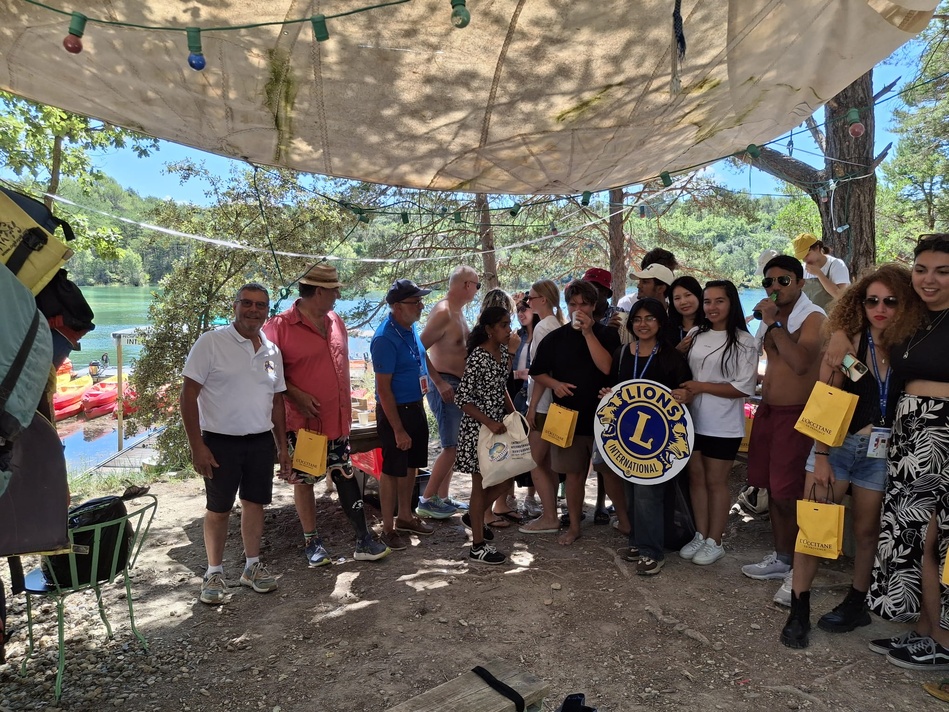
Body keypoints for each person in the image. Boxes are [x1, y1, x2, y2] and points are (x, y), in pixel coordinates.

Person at [780, 264, 923, 648]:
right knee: (814, 526)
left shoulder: (910, 346)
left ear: (904, 304)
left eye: (890, 301)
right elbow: (826, 398)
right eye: (871, 300)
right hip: (837, 447)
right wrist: (822, 455)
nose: (880, 308)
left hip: (881, 452)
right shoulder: (847, 344)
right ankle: (799, 610)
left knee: (865, 531)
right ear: (859, 303)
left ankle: (857, 603)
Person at [822, 235, 949, 666]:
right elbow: (859, 305)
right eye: (922, 270)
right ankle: (925, 632)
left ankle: (943, 641)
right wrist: (841, 331)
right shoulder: (915, 320)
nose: (928, 280)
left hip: (942, 433)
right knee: (915, 538)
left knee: (938, 539)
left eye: (942, 271)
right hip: (910, 436)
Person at [262, 264, 390, 567]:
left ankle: (363, 538)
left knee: (344, 473)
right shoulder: (278, 327)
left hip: (338, 420)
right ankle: (312, 541)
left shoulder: (335, 321)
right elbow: (266, 373)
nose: (338, 295)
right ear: (318, 292)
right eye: (334, 290)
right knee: (305, 480)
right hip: (304, 425)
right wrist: (294, 393)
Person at [181, 283, 291, 605]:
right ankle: (214, 572)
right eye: (247, 303)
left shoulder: (272, 351)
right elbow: (188, 395)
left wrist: (282, 447)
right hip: (219, 442)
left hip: (259, 441)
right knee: (219, 508)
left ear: (267, 311)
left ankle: (251, 567)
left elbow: (277, 403)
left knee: (255, 503)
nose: (253, 310)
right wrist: (196, 445)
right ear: (235, 306)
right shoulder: (211, 343)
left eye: (260, 305)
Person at [743, 256, 825, 602]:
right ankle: (782, 557)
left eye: (783, 281)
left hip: (798, 415)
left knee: (791, 493)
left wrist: (774, 324)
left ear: (801, 283)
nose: (774, 288)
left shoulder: (814, 317)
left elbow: (802, 363)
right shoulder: (771, 319)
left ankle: (799, 572)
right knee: (773, 492)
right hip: (769, 411)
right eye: (768, 283)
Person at [528, 279, 620, 545]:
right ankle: (575, 526)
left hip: (604, 416)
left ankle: (625, 520)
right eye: (573, 304)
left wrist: (588, 333)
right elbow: (538, 372)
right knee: (572, 474)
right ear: (566, 305)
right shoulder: (556, 337)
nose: (578, 309)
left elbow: (606, 369)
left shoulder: (606, 334)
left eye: (584, 304)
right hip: (567, 415)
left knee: (610, 471)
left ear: (593, 305)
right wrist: (554, 384)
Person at [604, 298, 691, 574]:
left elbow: (685, 393)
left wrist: (684, 395)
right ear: (631, 323)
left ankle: (653, 551)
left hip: (659, 439)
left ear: (660, 322)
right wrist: (607, 396)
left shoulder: (671, 356)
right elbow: (616, 391)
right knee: (631, 489)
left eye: (650, 318)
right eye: (638, 319)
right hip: (626, 436)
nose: (643, 324)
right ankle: (639, 541)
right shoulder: (621, 353)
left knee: (648, 493)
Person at [677, 280, 757, 567]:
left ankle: (716, 540)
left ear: (731, 303)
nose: (712, 307)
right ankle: (700, 533)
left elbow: (743, 387)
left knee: (716, 481)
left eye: (719, 301)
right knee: (696, 478)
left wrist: (700, 386)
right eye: (708, 301)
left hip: (723, 423)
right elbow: (681, 368)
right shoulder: (696, 333)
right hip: (691, 420)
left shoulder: (745, 341)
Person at [371, 279, 436, 551]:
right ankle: (388, 527)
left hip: (415, 406)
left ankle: (406, 517)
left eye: (421, 301)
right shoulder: (385, 338)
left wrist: (439, 382)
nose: (421, 306)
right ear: (397, 307)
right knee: (392, 470)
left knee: (412, 466)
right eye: (415, 302)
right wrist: (398, 429)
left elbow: (421, 357)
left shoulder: (409, 328)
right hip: (395, 411)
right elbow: (383, 389)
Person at [454, 306, 519, 564]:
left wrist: (514, 415)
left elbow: (501, 386)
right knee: (481, 485)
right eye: (503, 325)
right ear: (490, 330)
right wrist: (489, 422)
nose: (508, 329)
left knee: (504, 479)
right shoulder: (478, 357)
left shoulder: (502, 352)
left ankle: (475, 514)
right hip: (478, 430)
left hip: (498, 427)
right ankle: (477, 546)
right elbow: (462, 399)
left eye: (509, 324)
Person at [416, 265, 481, 519]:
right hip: (444, 385)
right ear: (466, 285)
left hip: (457, 384)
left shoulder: (458, 312)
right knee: (451, 446)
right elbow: (419, 349)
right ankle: (426, 500)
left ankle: (442, 497)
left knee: (455, 444)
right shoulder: (443, 312)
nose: (477, 290)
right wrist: (439, 382)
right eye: (476, 285)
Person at [520, 279, 568, 534]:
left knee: (534, 461)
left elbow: (540, 371)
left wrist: (532, 406)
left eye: (531, 297)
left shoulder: (542, 329)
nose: (528, 301)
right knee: (547, 462)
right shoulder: (557, 324)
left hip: (543, 405)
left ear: (544, 300)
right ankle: (552, 511)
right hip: (555, 404)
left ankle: (549, 516)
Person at [511, 295, 540, 517]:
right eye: (518, 310)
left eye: (526, 309)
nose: (521, 313)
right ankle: (509, 497)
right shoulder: (516, 337)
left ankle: (531, 497)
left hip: (533, 397)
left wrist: (526, 374)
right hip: (515, 398)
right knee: (513, 447)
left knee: (533, 450)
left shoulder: (541, 335)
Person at [792, 233, 851, 311]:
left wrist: (819, 274)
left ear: (817, 248)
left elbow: (841, 296)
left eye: (807, 255)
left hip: (831, 318)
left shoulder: (836, 265)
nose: (804, 260)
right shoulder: (803, 269)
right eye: (802, 257)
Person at [668, 275, 706, 352]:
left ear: (698, 296)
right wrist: (677, 351)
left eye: (688, 295)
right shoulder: (666, 329)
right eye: (677, 298)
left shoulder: (711, 326)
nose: (683, 302)